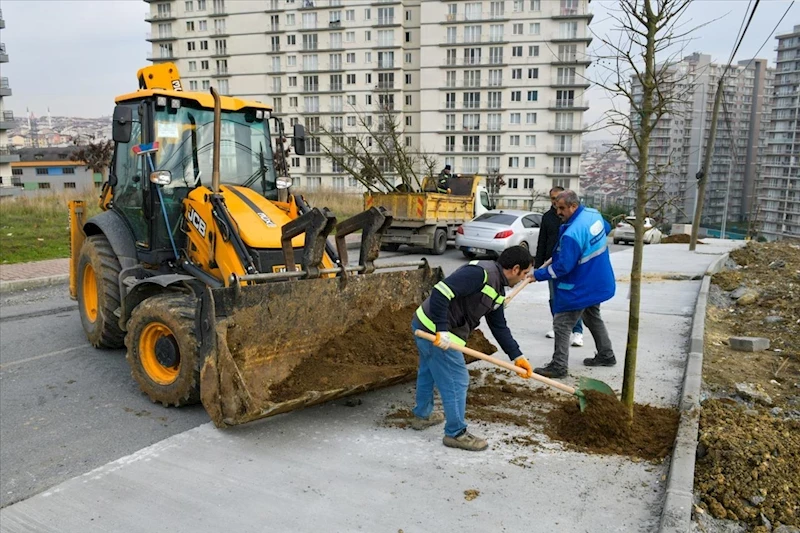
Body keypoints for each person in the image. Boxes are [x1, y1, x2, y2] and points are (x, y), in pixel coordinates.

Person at [410, 246, 534, 451]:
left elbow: (499, 326)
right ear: (515, 269)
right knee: (457, 379)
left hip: (427, 325)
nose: (523, 279)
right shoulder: (481, 273)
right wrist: (442, 330)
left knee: (428, 372)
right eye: (524, 274)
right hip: (433, 330)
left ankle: (422, 416)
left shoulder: (497, 289)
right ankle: (455, 433)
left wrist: (517, 355)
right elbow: (441, 290)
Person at [529, 190, 617, 379]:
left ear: (573, 206)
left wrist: (537, 275)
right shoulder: (593, 214)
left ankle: (559, 366)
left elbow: (562, 268)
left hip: (582, 284)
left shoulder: (572, 234)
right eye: (556, 207)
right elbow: (606, 228)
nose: (558, 212)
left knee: (562, 323)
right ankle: (606, 355)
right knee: (592, 316)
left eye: (562, 208)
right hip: (599, 280)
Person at [535, 186, 585, 347]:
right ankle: (558, 326)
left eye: (559, 200)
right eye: (553, 199)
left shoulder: (574, 219)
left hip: (570, 264)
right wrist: (538, 266)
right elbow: (542, 241)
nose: (556, 204)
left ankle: (577, 332)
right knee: (554, 297)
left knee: (572, 298)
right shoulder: (548, 217)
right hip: (552, 263)